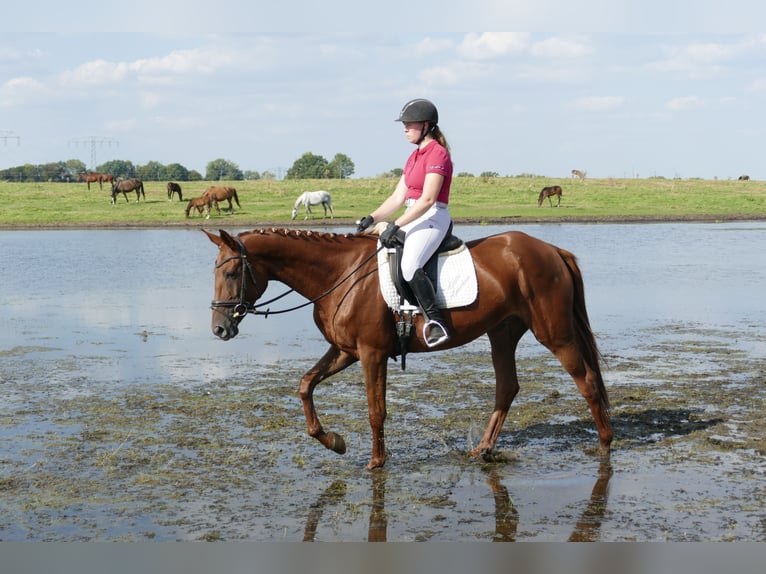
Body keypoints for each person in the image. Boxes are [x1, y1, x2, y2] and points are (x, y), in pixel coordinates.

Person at [357, 98, 453, 347]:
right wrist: (373, 217)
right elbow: (398, 197)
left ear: (426, 125)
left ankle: (436, 321)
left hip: (432, 216)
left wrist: (395, 225)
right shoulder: (413, 157)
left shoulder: (438, 154)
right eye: (405, 124)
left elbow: (428, 199)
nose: (405, 128)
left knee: (410, 265)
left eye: (409, 123)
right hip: (413, 215)